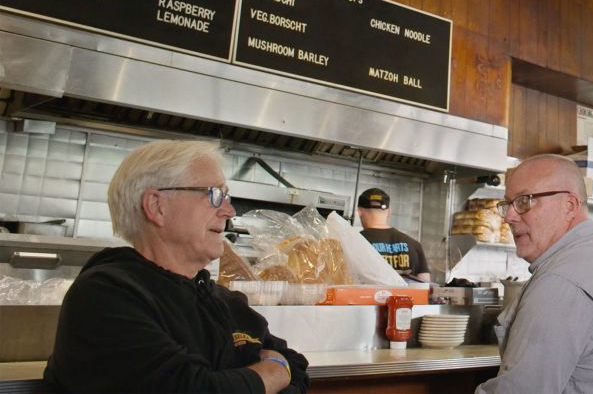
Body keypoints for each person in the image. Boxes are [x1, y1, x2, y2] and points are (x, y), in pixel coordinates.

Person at [43, 140, 309, 394]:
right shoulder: (105, 295)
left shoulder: (221, 300)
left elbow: (296, 366)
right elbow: (192, 390)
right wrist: (273, 373)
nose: (229, 211)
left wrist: (263, 376)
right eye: (215, 194)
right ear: (157, 206)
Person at [476, 155, 593, 394]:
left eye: (524, 201)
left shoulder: (563, 281)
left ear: (569, 206)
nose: (509, 217)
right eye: (508, 204)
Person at [356, 187, 431, 282]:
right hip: (406, 297)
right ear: (389, 212)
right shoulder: (414, 245)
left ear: (359, 211)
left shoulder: (352, 243)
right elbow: (424, 283)